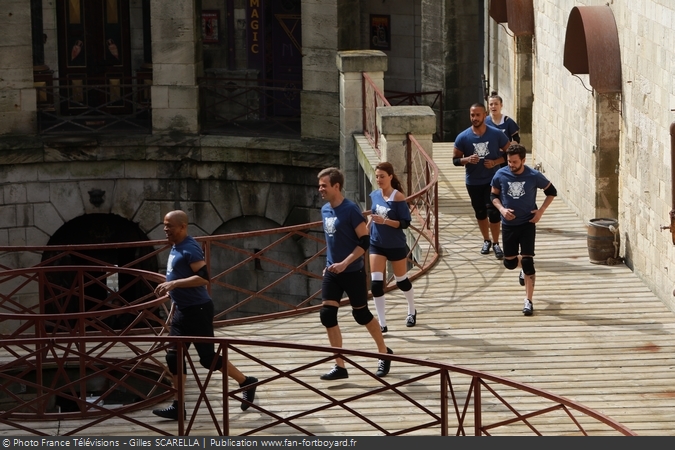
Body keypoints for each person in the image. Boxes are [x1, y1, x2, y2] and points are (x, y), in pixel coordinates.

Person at [152, 210, 258, 419]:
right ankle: (178, 407)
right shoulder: (175, 245)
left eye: (169, 226)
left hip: (198, 310)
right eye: (164, 225)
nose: (165, 229)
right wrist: (173, 292)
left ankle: (246, 382)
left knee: (207, 359)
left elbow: (204, 278)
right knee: (174, 356)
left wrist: (174, 283)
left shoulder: (190, 248)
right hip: (182, 311)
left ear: (182, 227)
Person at [317, 167, 393, 380]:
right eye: (320, 185)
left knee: (361, 315)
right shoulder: (324, 210)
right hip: (332, 271)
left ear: (336, 186)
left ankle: (383, 352)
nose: (320, 189)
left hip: (352, 271)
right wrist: (330, 263)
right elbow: (332, 241)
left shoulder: (350, 210)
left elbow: (364, 241)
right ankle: (340, 365)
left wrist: (345, 263)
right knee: (327, 315)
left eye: (324, 185)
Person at [490, 144, 557, 316]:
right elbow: (493, 196)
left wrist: (540, 211)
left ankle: (528, 301)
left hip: (528, 222)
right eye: (509, 161)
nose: (511, 165)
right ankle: (519, 264)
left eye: (514, 162)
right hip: (508, 225)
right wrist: (502, 210)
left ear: (523, 160)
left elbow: (552, 191)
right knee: (509, 262)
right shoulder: (500, 174)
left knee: (528, 262)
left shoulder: (533, 175)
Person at [453, 103, 511, 259]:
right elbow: (455, 160)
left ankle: (497, 243)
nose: (475, 118)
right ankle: (486, 240)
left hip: (493, 180)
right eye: (472, 115)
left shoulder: (496, 134)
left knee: (493, 212)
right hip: (473, 181)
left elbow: (510, 152)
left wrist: (496, 161)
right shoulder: (463, 137)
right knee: (480, 212)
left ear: (484, 115)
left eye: (478, 115)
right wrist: (467, 159)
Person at [368, 162, 416, 333]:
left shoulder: (398, 198)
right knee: (375, 285)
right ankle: (382, 323)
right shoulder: (374, 195)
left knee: (401, 280)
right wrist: (367, 227)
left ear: (390, 176)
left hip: (395, 244)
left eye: (382, 176)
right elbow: (373, 215)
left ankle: (411, 310)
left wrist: (386, 221)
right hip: (376, 244)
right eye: (377, 176)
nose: (379, 179)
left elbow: (405, 223)